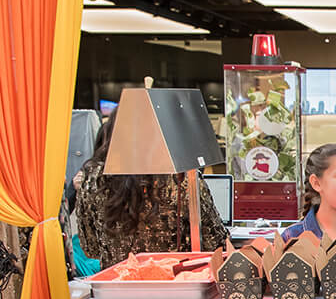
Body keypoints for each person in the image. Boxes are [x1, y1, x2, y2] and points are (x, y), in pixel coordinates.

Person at [76, 106, 229, 268]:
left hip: (117, 284)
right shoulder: (180, 177)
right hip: (173, 283)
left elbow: (90, 248)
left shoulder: (92, 178)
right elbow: (215, 241)